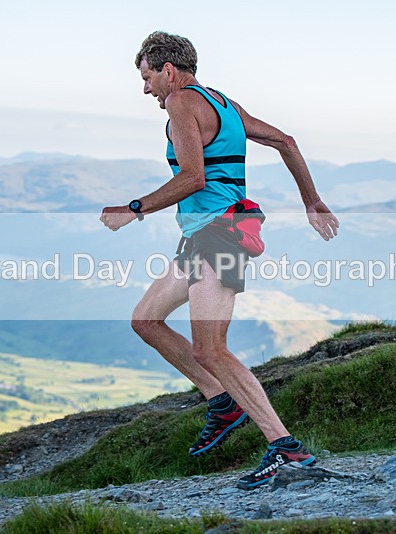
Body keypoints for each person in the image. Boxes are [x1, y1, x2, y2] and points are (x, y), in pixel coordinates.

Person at [100, 31, 339, 490]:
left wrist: (134, 210)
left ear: (167, 71)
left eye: (147, 77)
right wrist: (312, 200)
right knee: (146, 320)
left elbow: (193, 177)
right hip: (202, 237)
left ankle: (286, 448)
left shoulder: (182, 103)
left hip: (221, 235)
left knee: (211, 347)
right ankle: (220, 399)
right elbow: (285, 141)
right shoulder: (222, 102)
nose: (146, 89)